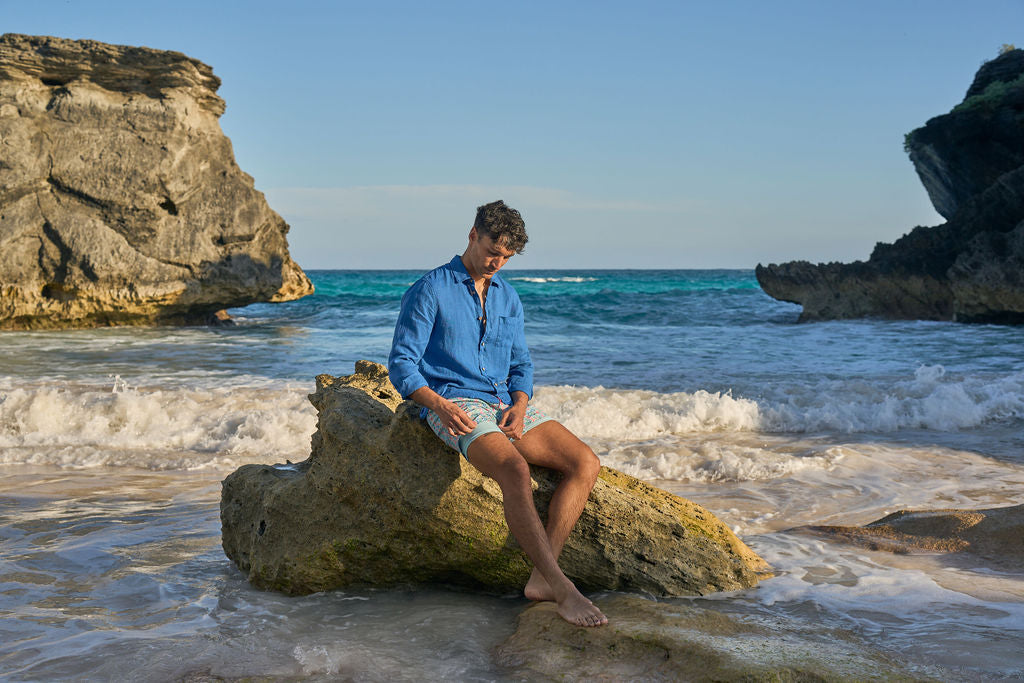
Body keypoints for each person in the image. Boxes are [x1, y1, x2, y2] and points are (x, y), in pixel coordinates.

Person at [388, 200, 608, 628]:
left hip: (502, 402)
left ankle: (541, 579)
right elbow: (402, 364)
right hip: (454, 401)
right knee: (515, 471)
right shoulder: (430, 289)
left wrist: (521, 406)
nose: (498, 262)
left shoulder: (508, 295)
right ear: (473, 234)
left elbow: (521, 364)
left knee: (585, 462)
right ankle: (563, 589)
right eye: (493, 250)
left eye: (507, 256)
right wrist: (438, 405)